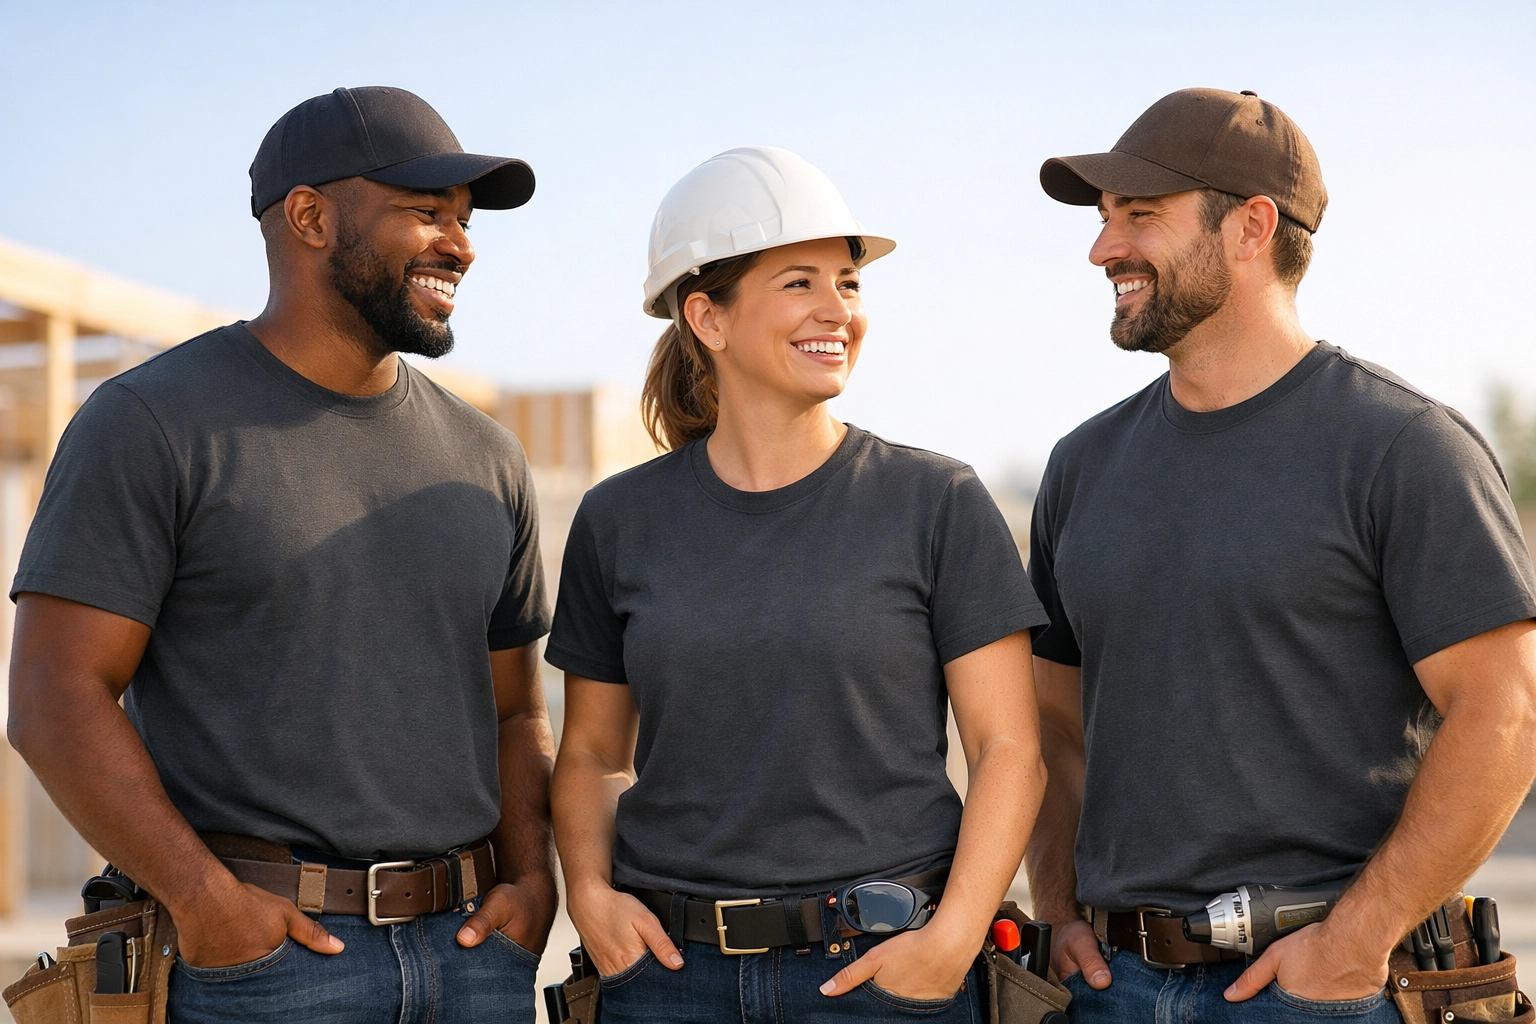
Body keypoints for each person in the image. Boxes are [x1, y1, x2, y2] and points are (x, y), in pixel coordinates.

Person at [7, 87, 556, 1024]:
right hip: (266, 967)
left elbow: (512, 713)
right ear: (309, 216)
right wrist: (207, 903)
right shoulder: (150, 424)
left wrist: (532, 883)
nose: (460, 244)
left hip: (474, 963)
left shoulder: (487, 459)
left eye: (462, 222)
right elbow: (56, 701)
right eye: (425, 213)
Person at [1025, 87, 1536, 1023]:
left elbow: (1504, 716)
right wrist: (1056, 908)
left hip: (1323, 991)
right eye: (1103, 221)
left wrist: (1355, 942)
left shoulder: (1403, 448)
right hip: (1111, 989)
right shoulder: (1081, 467)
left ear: (1251, 227)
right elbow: (1052, 727)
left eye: (1139, 216)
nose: (1103, 249)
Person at [548, 146, 1048, 1022]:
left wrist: (952, 941)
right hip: (667, 983)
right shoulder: (618, 521)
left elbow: (1009, 750)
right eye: (798, 283)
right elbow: (591, 753)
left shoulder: (937, 503)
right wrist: (589, 892)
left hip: (880, 978)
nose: (837, 310)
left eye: (849, 283)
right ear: (706, 316)